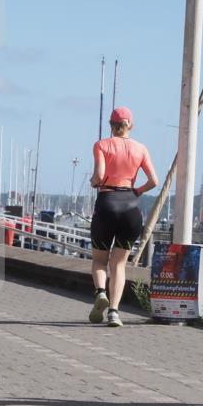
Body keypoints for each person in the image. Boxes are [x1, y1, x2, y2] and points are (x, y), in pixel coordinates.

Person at [88, 107, 158, 327]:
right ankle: (114, 313)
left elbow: (99, 175)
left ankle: (100, 292)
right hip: (130, 207)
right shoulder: (141, 148)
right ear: (131, 126)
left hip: (107, 202)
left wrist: (93, 182)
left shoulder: (102, 145)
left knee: (100, 260)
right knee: (118, 264)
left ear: (111, 124)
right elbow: (153, 181)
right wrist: (137, 191)